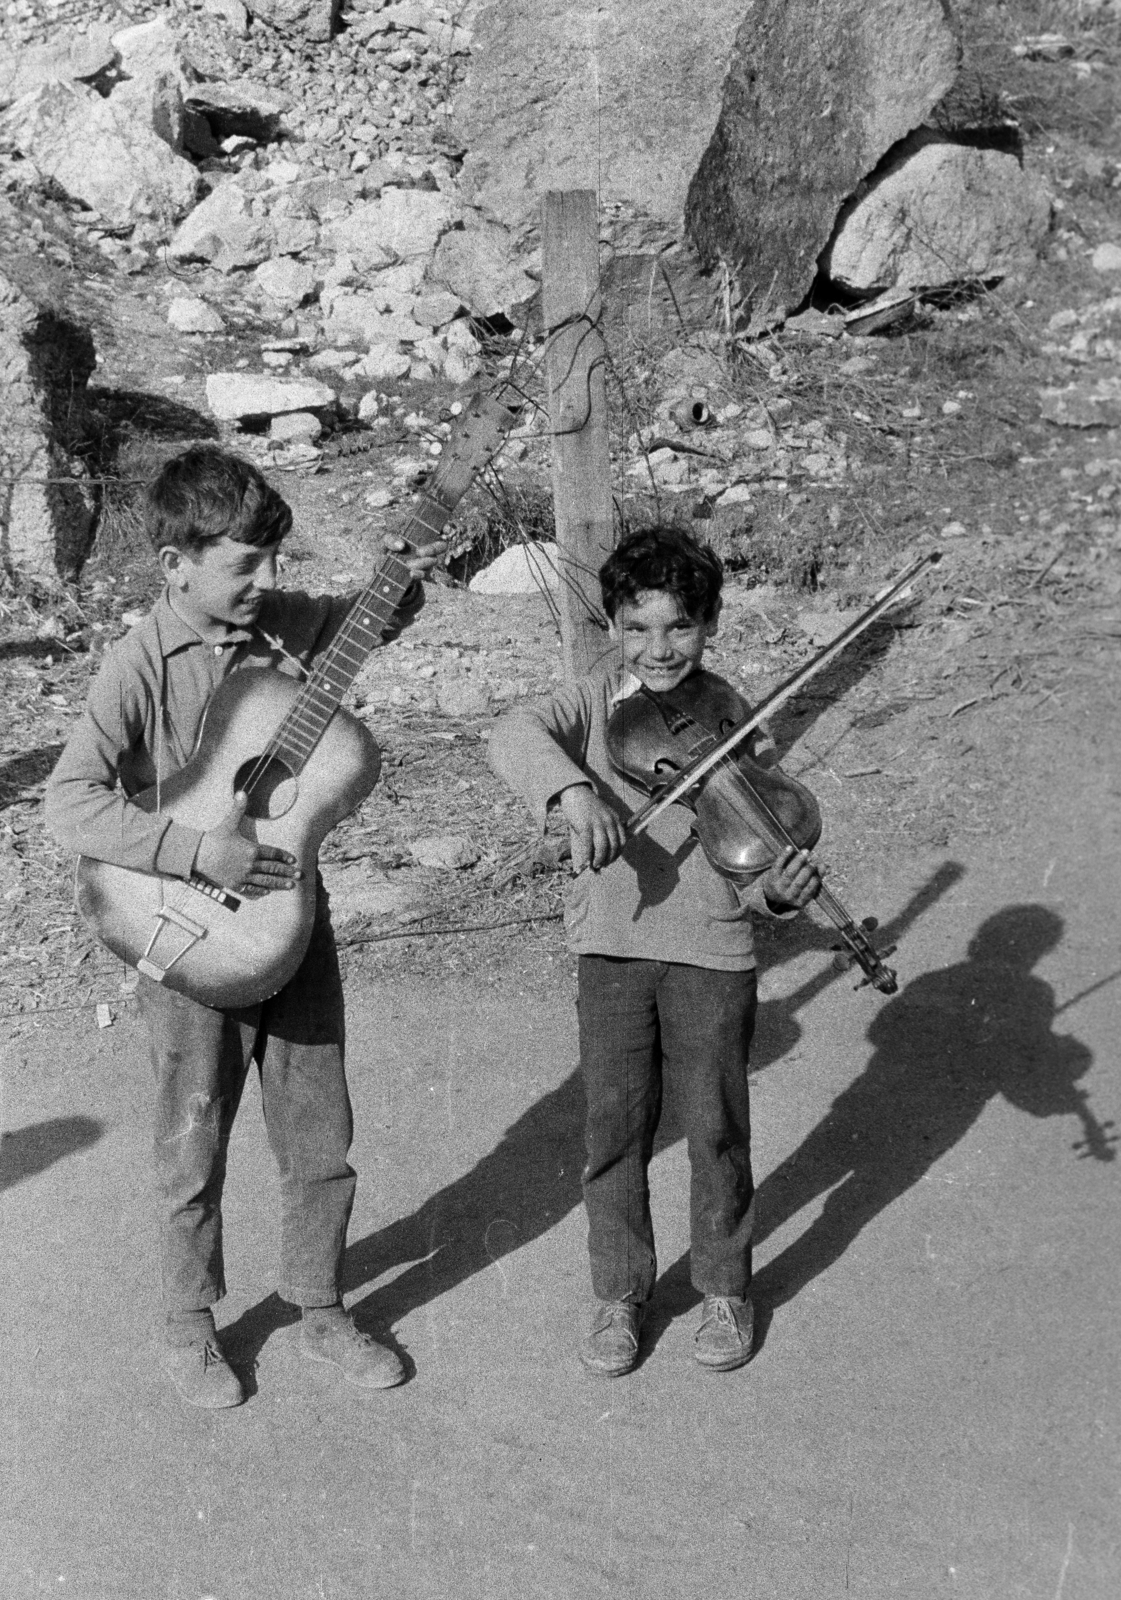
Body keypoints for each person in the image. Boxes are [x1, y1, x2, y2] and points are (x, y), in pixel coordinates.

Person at [46, 445, 442, 1409]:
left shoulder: (286, 627)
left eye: (275, 559)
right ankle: (190, 1323)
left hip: (291, 921)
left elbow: (378, 619)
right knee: (194, 1132)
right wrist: (197, 853)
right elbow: (70, 805)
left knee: (319, 1130)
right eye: (241, 565)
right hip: (183, 931)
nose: (267, 582)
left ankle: (317, 1305)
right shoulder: (138, 665)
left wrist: (413, 563)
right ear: (175, 561)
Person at [489, 525, 820, 1378]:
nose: (658, 648)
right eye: (637, 628)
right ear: (612, 627)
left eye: (678, 627)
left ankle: (722, 1287)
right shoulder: (593, 700)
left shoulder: (733, 715)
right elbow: (512, 732)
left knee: (714, 1129)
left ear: (708, 623)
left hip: (711, 946)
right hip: (611, 942)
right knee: (614, 1127)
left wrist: (772, 892)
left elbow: (752, 847)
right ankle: (619, 1292)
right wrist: (571, 792)